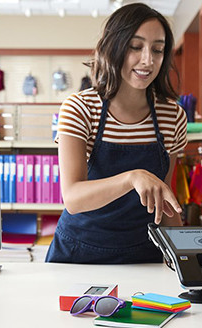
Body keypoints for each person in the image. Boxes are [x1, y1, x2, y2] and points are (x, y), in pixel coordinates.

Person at [45, 3, 187, 264]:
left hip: (144, 254)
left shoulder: (173, 116)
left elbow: (164, 196)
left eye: (157, 49)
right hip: (79, 253)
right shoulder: (80, 108)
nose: (148, 59)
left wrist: (184, 257)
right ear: (115, 46)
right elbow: (73, 198)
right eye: (136, 46)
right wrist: (133, 177)